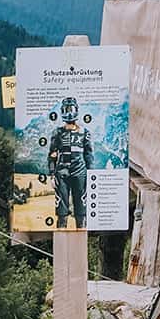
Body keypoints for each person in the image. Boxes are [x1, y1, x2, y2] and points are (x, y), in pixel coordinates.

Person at [48, 96, 91, 230]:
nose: (69, 112)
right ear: (62, 111)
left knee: (81, 207)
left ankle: (81, 232)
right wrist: (51, 175)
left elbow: (88, 154)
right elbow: (51, 155)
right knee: (61, 208)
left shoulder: (85, 132)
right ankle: (61, 233)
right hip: (62, 173)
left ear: (76, 110)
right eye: (66, 109)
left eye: (71, 108)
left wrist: (90, 174)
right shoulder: (57, 133)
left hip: (80, 172)